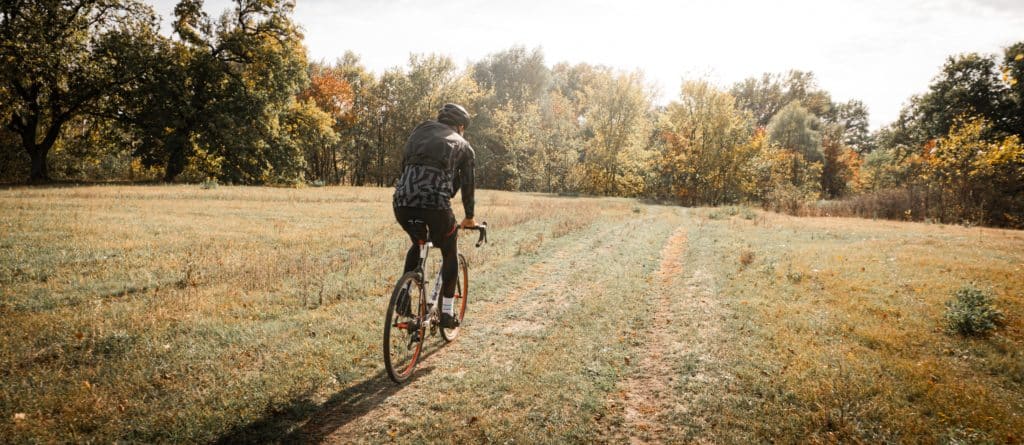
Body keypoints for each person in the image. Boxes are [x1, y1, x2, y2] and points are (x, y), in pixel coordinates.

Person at [393, 103, 477, 328]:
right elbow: (467, 184)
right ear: (460, 126)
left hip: (402, 201)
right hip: (435, 205)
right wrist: (469, 216)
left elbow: (404, 167)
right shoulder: (464, 145)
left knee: (418, 242)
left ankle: (403, 298)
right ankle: (447, 312)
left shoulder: (419, 131)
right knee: (450, 248)